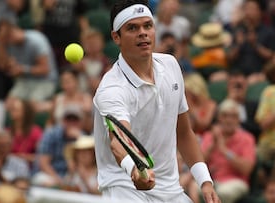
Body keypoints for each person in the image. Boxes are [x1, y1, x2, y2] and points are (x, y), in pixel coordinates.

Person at [93, 1, 220, 202]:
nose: (142, 33)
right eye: (132, 28)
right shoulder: (111, 89)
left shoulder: (170, 65)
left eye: (147, 26)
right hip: (124, 186)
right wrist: (134, 169)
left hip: (170, 188)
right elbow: (118, 141)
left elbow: (184, 132)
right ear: (116, 37)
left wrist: (205, 181)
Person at [200, 99, 256, 203]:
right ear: (219, 118)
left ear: (239, 119)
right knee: (193, 188)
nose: (229, 120)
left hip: (235, 181)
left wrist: (224, 150)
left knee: (221, 193)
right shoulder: (210, 136)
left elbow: (246, 169)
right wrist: (212, 146)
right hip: (211, 180)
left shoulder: (247, 138)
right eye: (225, 115)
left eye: (233, 116)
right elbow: (198, 163)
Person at [34, 104, 86, 187]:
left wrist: (80, 140)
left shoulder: (83, 138)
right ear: (63, 121)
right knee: (42, 180)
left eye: (75, 120)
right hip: (50, 174)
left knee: (82, 183)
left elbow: (85, 166)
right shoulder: (51, 134)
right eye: (69, 119)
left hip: (71, 176)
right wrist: (59, 181)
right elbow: (44, 163)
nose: (72, 123)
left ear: (81, 122)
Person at [7, 98, 42, 167]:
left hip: (28, 168)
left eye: (15, 109)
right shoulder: (7, 131)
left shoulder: (35, 132)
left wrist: (25, 157)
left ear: (25, 112)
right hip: (9, 166)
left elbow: (41, 157)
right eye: (12, 108)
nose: (12, 111)